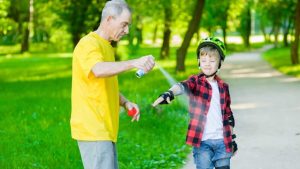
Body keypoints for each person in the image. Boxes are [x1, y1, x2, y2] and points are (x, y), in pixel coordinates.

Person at [70, 0, 155, 169]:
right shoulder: (89, 44)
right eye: (124, 24)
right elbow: (98, 70)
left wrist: (124, 102)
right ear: (109, 19)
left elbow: (103, 83)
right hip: (93, 128)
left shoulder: (106, 47)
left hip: (105, 129)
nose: (127, 30)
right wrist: (134, 63)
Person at [152, 37, 237, 169]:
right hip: (202, 142)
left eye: (212, 60)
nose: (207, 64)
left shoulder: (223, 87)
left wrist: (231, 139)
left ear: (219, 63)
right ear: (198, 62)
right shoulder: (196, 82)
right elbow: (182, 86)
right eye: (203, 60)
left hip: (222, 141)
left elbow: (228, 114)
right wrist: (169, 93)